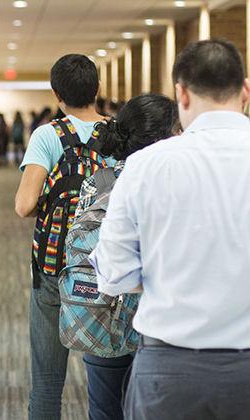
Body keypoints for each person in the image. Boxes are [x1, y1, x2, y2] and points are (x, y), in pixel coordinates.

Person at [90, 39, 250, 420]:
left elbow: (112, 272)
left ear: (180, 92)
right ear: (245, 90)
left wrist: (167, 272)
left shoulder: (146, 165)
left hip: (169, 369)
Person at [73, 94, 179, 420]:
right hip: (159, 321)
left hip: (103, 318)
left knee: (105, 411)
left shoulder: (97, 180)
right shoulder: (169, 181)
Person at [15, 54, 108, 420]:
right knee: (108, 378)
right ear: (97, 88)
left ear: (57, 94)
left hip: (56, 267)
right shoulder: (118, 134)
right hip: (105, 268)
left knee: (48, 381)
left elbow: (23, 205)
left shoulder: (48, 135)